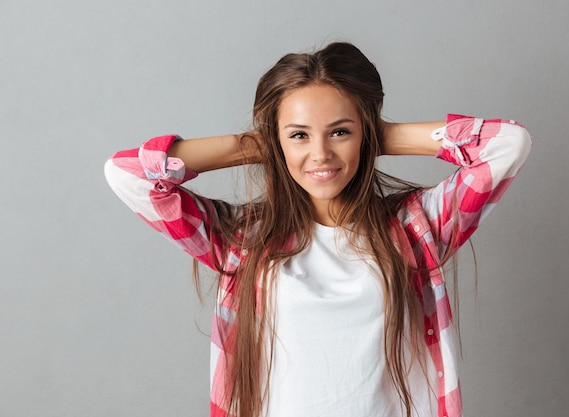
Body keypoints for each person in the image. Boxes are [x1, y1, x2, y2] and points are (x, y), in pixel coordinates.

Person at [105, 42, 531, 417]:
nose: (321, 154)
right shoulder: (242, 241)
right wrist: (258, 144)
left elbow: (506, 144)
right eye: (299, 135)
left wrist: (377, 134)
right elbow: (129, 175)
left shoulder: (418, 227)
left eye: (340, 132)